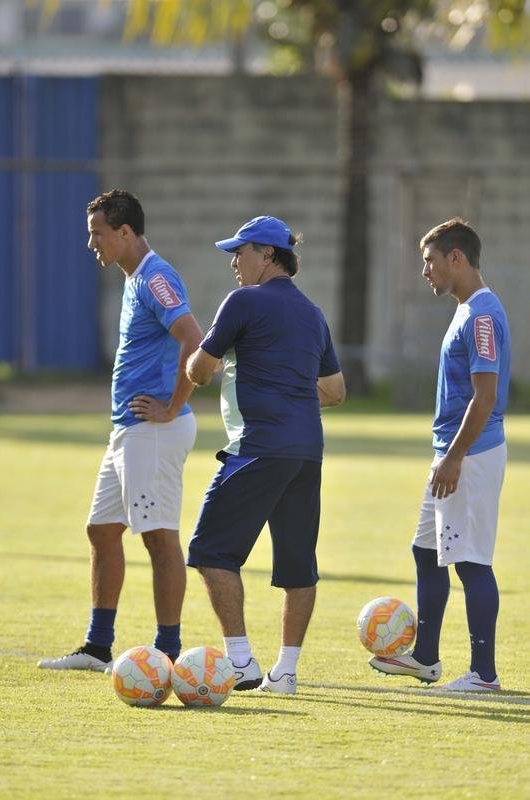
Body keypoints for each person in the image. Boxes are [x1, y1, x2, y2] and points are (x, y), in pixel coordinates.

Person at [38, 188, 203, 673]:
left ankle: (167, 651)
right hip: (128, 430)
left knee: (158, 537)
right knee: (102, 530)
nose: (92, 244)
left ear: (125, 231)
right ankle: (96, 647)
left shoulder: (156, 276)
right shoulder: (134, 278)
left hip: (152, 430)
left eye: (98, 234)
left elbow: (194, 339)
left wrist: (173, 406)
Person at [185, 215, 346, 695]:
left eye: (242, 251)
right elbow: (336, 391)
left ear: (269, 255)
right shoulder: (313, 313)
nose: (235, 262)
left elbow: (199, 371)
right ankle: (286, 673)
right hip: (307, 451)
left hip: (257, 447)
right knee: (298, 565)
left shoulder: (243, 301)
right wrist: (291, 392)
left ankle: (241, 663)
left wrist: (200, 358)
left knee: (210, 552)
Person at [370, 218, 510, 691]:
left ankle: (484, 676)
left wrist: (454, 457)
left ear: (456, 257)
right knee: (426, 551)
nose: (424, 272)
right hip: (450, 453)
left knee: (470, 562)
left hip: (468, 456)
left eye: (429, 261)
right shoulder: (465, 309)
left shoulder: (482, 316)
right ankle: (426, 659)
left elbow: (484, 396)